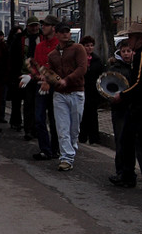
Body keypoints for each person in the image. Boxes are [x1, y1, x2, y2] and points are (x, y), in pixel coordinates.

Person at [110, 22, 142, 191]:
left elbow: (138, 82)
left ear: (139, 39)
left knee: (132, 140)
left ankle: (136, 176)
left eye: (131, 37)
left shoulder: (141, 55)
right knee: (141, 140)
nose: (129, 40)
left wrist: (122, 95)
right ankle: (140, 175)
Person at [46, 24, 88, 171]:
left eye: (67, 32)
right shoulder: (52, 55)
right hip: (60, 95)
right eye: (62, 32)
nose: (65, 34)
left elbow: (82, 68)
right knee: (62, 128)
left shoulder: (78, 49)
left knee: (74, 128)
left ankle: (71, 149)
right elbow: (51, 73)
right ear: (56, 34)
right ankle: (66, 157)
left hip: (76, 92)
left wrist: (67, 80)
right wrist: (50, 79)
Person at [29, 18, 59, 160]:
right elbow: (35, 66)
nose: (43, 27)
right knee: (39, 118)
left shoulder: (59, 45)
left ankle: (55, 148)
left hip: (55, 86)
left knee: (55, 120)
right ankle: (45, 149)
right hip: (41, 85)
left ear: (53, 28)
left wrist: (48, 79)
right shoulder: (40, 46)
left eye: (46, 25)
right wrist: (33, 76)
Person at [107, 39, 134, 180]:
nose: (126, 54)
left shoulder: (136, 67)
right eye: (124, 51)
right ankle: (121, 170)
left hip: (134, 108)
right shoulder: (115, 68)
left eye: (129, 51)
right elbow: (108, 87)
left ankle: (130, 171)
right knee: (121, 139)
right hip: (120, 109)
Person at [7, 19, 40, 137]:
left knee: (35, 104)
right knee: (26, 103)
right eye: (32, 26)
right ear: (28, 26)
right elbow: (12, 57)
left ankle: (35, 128)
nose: (34, 28)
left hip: (38, 75)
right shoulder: (20, 39)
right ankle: (27, 129)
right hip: (22, 75)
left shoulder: (42, 38)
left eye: (36, 26)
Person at [79, 35, 104, 144]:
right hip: (82, 89)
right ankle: (82, 136)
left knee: (93, 114)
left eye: (91, 46)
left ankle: (94, 138)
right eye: (87, 46)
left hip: (93, 91)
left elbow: (100, 75)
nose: (89, 48)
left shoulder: (97, 60)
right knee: (82, 114)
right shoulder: (79, 59)